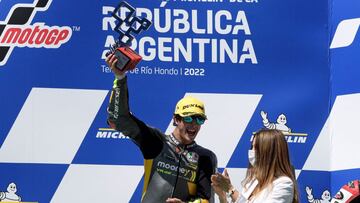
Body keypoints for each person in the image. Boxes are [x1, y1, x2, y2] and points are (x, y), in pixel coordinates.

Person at [105, 53, 218, 203]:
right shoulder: (157, 141)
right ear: (176, 119)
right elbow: (119, 119)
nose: (193, 125)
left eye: (199, 120)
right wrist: (120, 78)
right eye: (189, 118)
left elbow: (206, 199)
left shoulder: (206, 157)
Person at [211, 129, 299, 203]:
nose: (252, 151)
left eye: (256, 148)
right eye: (252, 147)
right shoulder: (254, 181)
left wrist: (231, 189)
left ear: (270, 153)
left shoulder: (284, 184)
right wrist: (222, 196)